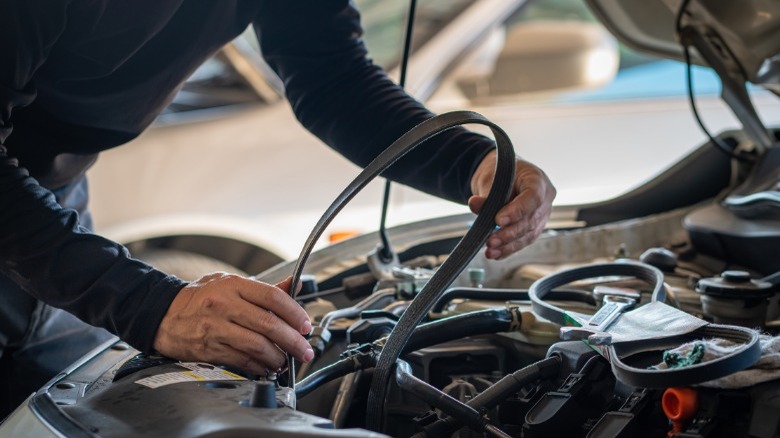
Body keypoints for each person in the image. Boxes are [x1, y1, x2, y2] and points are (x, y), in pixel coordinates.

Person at [0, 0, 556, 416]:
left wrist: (475, 162)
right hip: (23, 214)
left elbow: (331, 75)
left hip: (48, 209)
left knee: (60, 408)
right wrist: (149, 305)